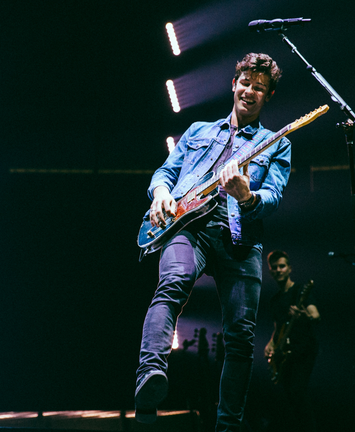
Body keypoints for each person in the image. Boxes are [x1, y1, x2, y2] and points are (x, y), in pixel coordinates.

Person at [134, 53, 292, 432]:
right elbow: (165, 172)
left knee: (240, 336)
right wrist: (160, 194)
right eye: (245, 83)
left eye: (259, 87)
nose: (250, 91)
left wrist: (246, 196)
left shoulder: (276, 143)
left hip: (241, 237)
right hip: (189, 226)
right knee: (173, 283)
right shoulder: (198, 130)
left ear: (267, 96)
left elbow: (273, 195)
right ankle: (149, 377)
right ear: (233, 83)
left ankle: (228, 426)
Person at [263, 250, 320, 432]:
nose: (279, 270)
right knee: (288, 399)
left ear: (289, 269)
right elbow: (278, 328)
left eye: (282, 266)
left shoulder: (300, 291)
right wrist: (270, 344)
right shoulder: (275, 300)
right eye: (275, 267)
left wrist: (303, 314)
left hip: (303, 350)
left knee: (298, 393)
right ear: (270, 271)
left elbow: (315, 315)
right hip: (285, 356)